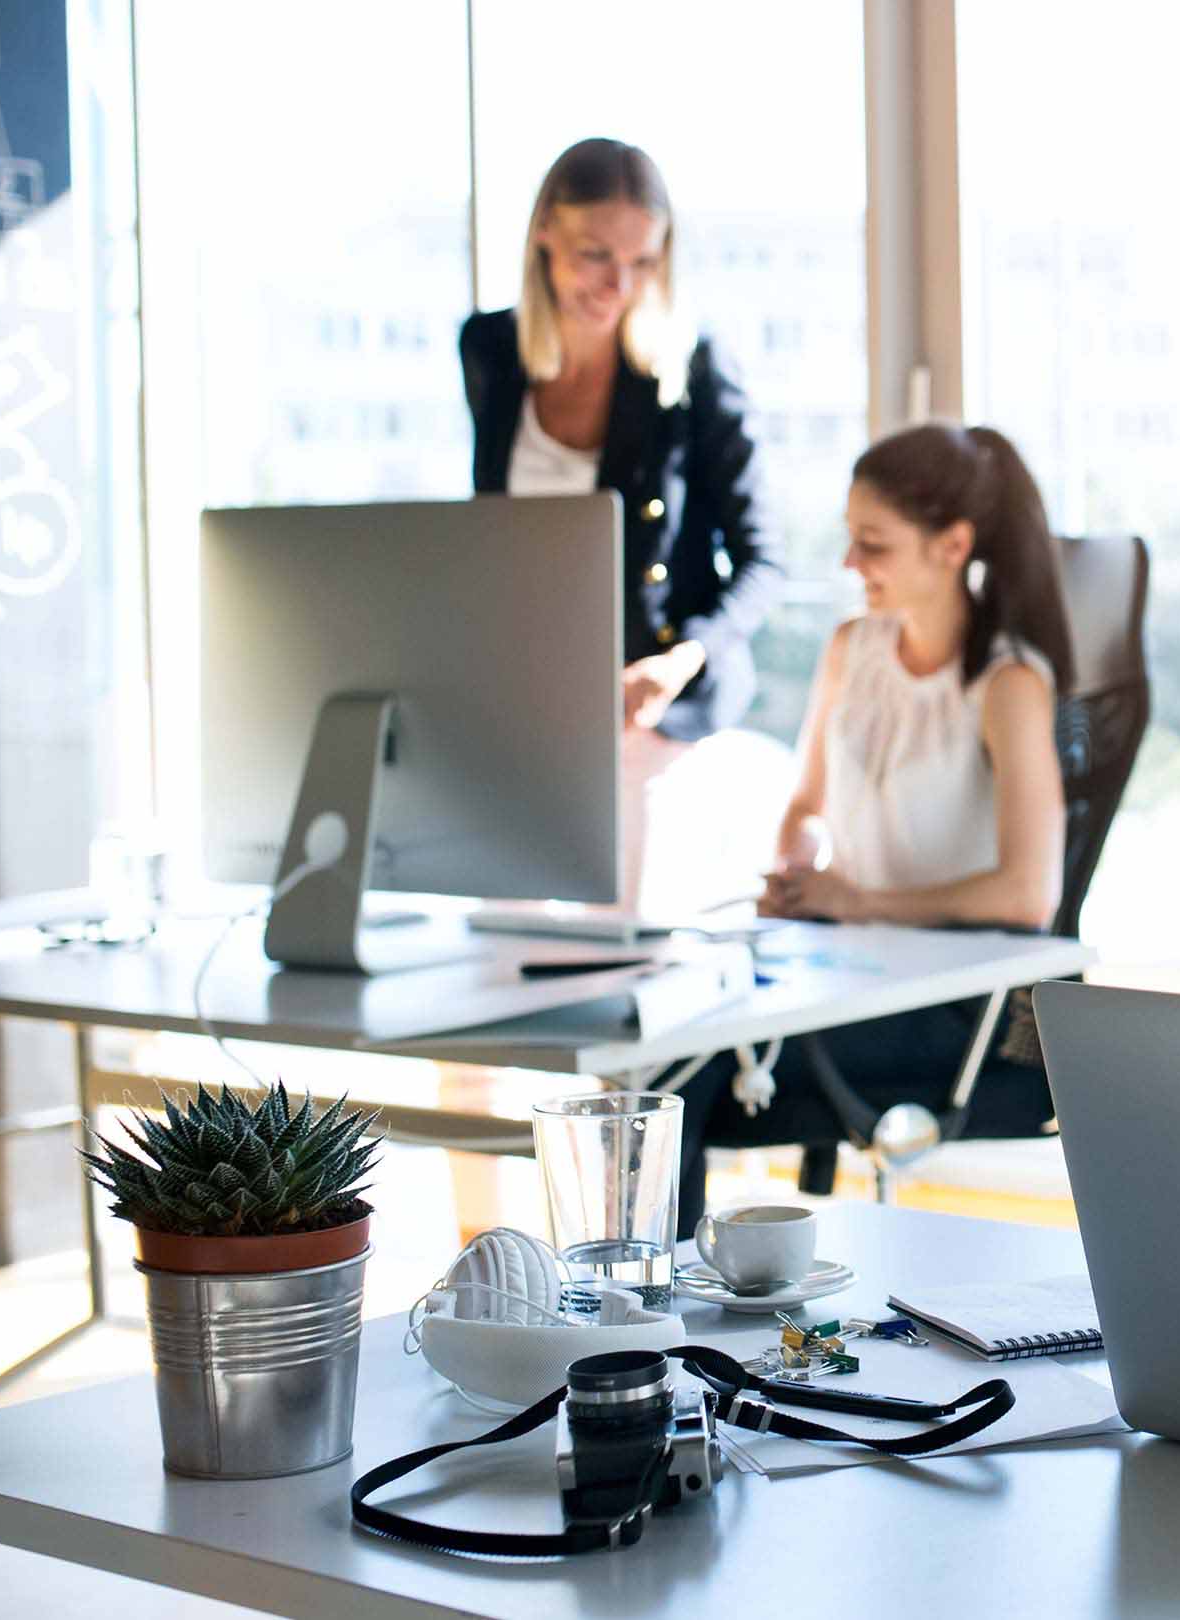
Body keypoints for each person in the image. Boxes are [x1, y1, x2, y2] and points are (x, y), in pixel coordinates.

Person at [674, 422, 1077, 1235]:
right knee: (663, 1045)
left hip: (957, 1006)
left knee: (682, 1079)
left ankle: (646, 1326)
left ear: (951, 545)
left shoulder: (1006, 685)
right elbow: (805, 808)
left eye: (873, 544)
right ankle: (644, 1315)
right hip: (844, 971)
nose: (850, 565)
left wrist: (856, 901)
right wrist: (796, 871)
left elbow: (1029, 893)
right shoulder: (852, 647)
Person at [458, 137, 776, 904]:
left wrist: (681, 660)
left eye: (644, 262)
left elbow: (763, 561)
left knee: (619, 932)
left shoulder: (691, 369)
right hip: (535, 688)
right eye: (595, 255)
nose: (619, 283)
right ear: (544, 234)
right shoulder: (491, 350)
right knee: (502, 925)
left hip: (657, 696)